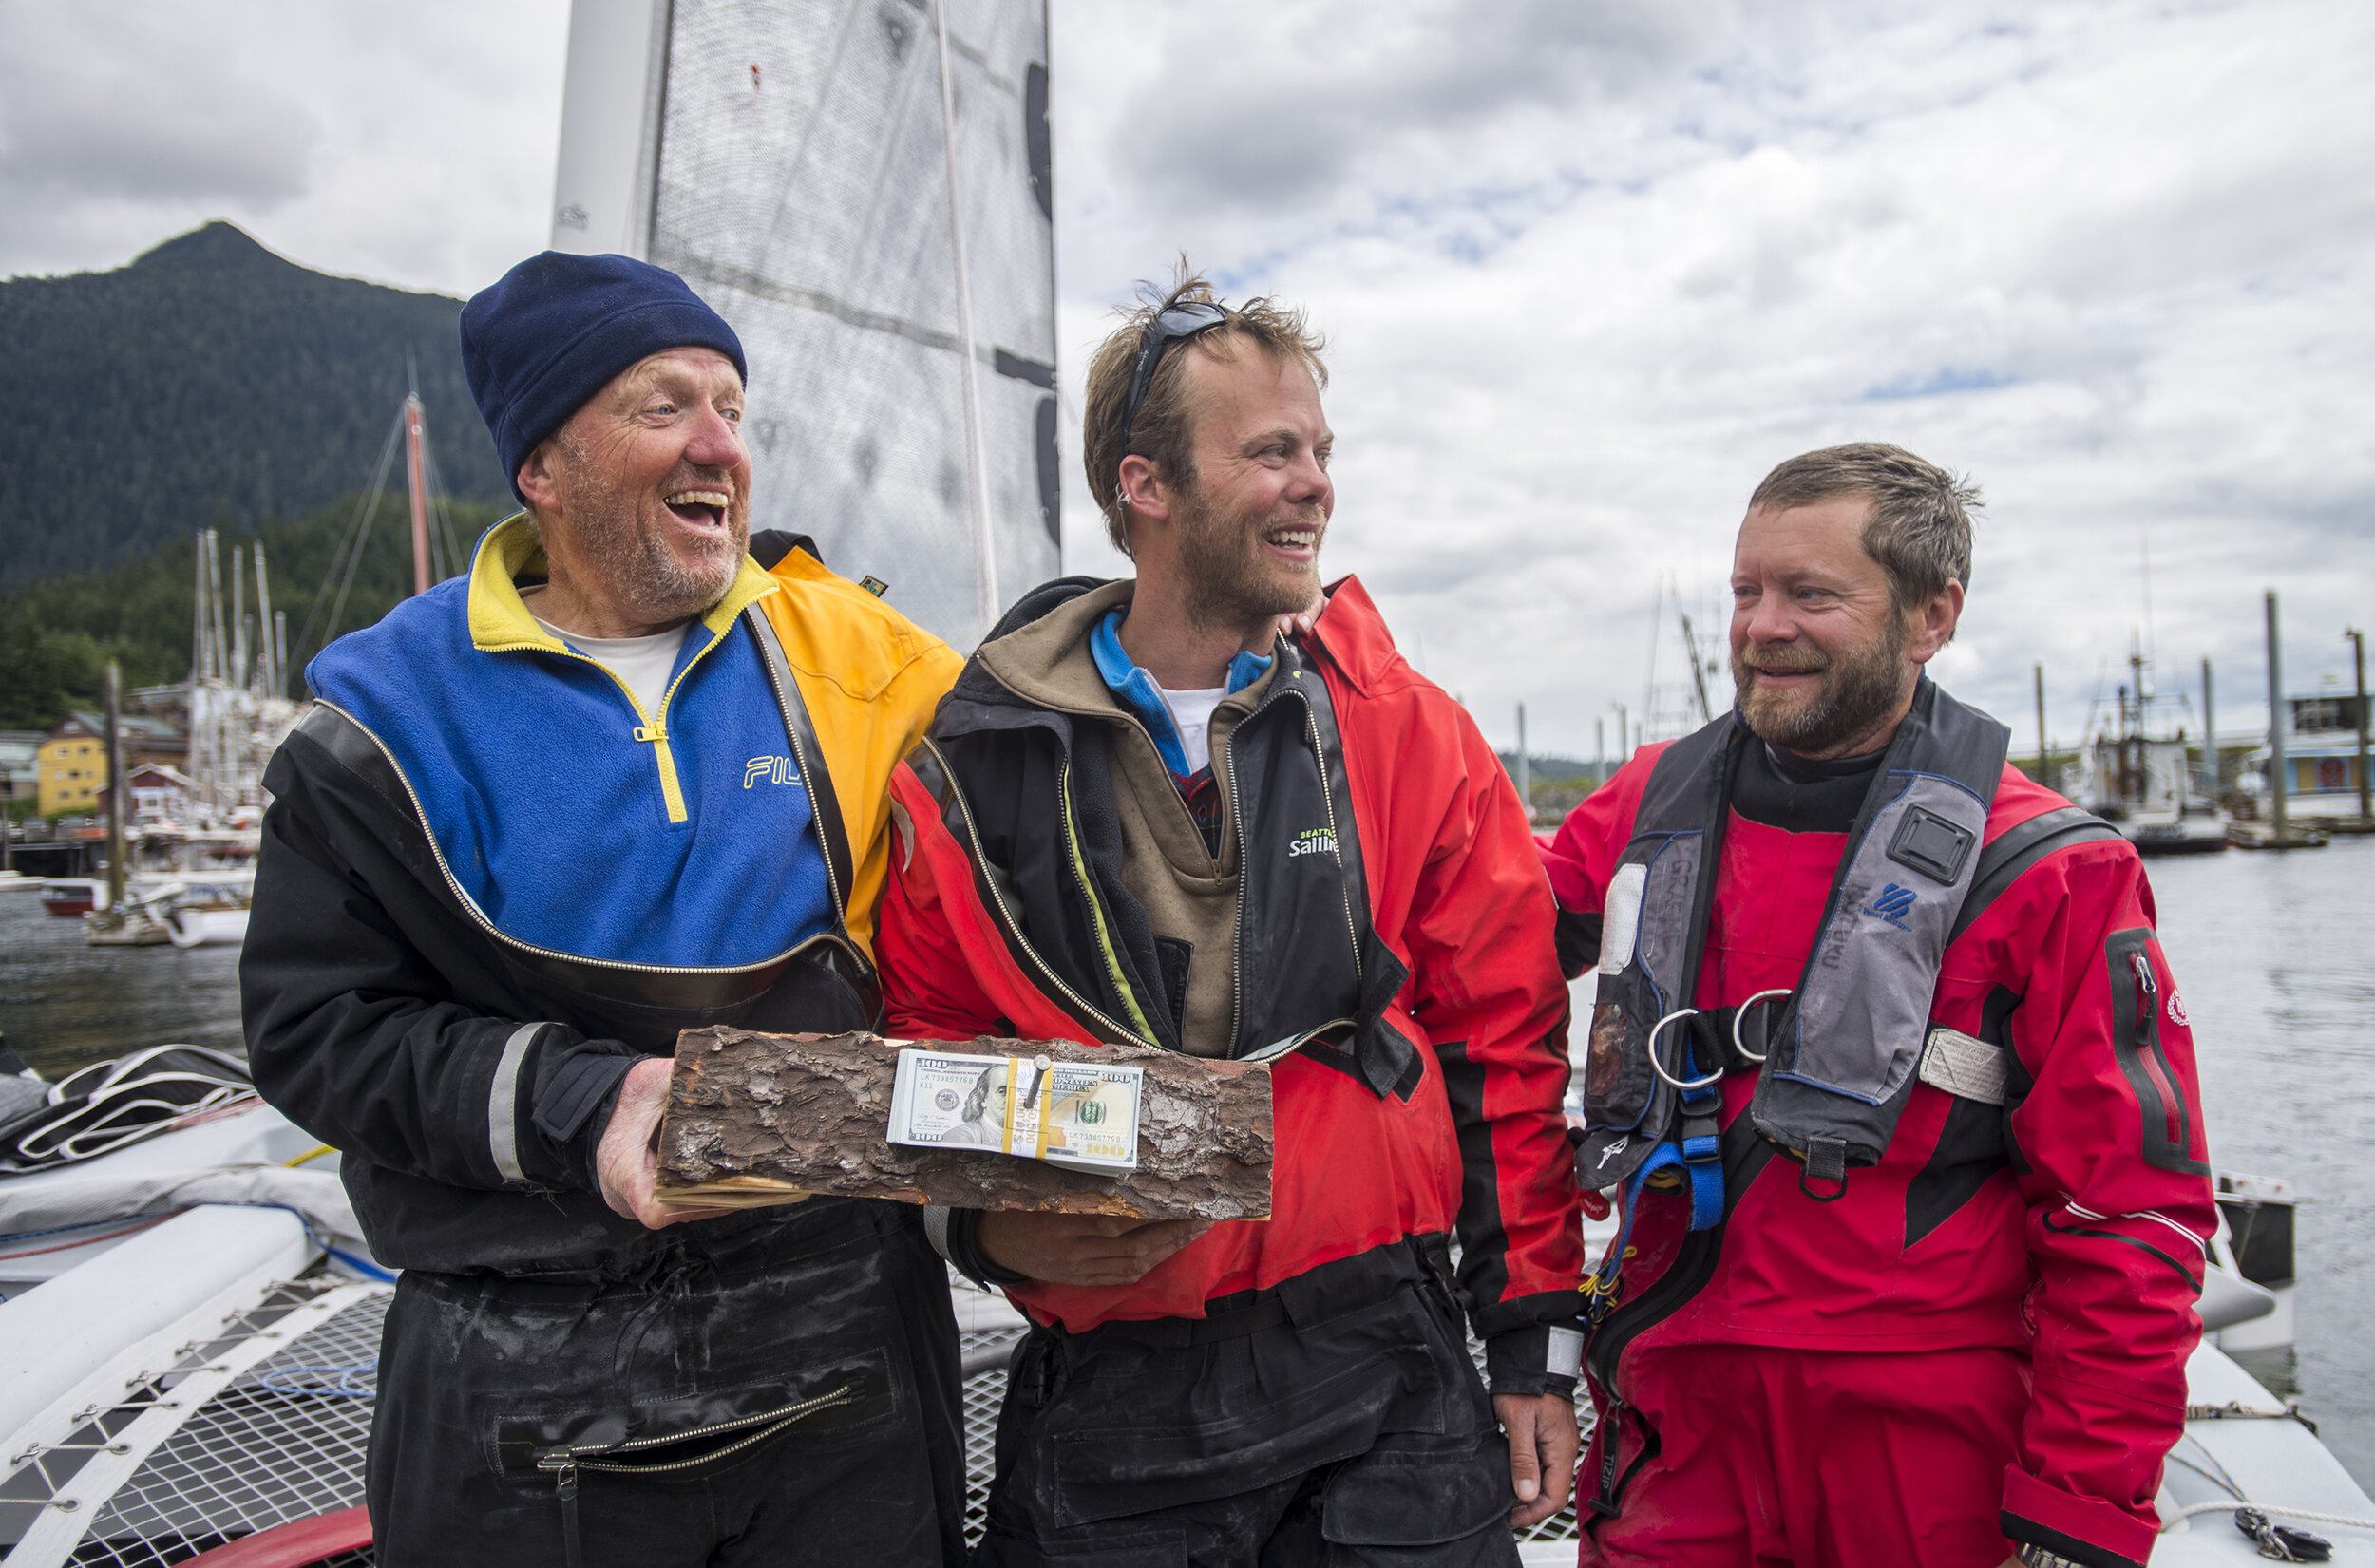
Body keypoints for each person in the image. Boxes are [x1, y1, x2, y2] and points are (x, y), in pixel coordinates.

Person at [240, 251, 968, 1567]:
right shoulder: (384, 721)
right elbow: (315, 1030)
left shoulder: (854, 654)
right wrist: (586, 1103)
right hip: (517, 1359)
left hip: (841, 1337)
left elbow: (1062, 754)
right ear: (543, 465)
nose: (720, 444)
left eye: (734, 409)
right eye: (665, 404)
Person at [875, 274, 1586, 1566]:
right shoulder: (967, 776)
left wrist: (1534, 1331)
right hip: (1119, 1390)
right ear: (1146, 485)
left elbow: (1507, 1045)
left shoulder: (1404, 729)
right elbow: (921, 1064)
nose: (1315, 482)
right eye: (1271, 451)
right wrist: (985, 1229)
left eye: (1321, 450)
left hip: (1395, 1376)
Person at [1543, 443, 2215, 1568]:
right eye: (1745, 591)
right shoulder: (1638, 811)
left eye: (1810, 593)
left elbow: (2130, 1217)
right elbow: (1462, 978)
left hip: (1926, 1453)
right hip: (1676, 1428)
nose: (1762, 626)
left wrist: (2079, 1514)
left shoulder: (2049, 867)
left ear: (1930, 614)